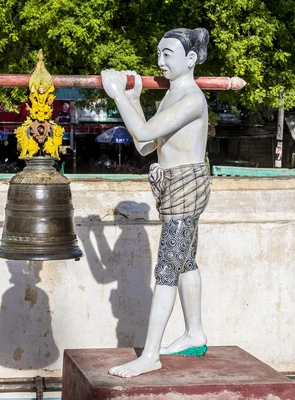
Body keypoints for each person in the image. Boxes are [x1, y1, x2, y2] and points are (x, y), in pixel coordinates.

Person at [101, 27, 211, 378]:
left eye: (168, 54)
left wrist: (117, 94)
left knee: (167, 269)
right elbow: (145, 145)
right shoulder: (172, 96)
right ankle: (195, 333)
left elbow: (145, 133)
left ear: (190, 59)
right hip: (175, 185)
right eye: (159, 53)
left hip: (185, 187)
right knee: (185, 261)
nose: (160, 61)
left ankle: (150, 355)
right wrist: (133, 101)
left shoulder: (192, 98)